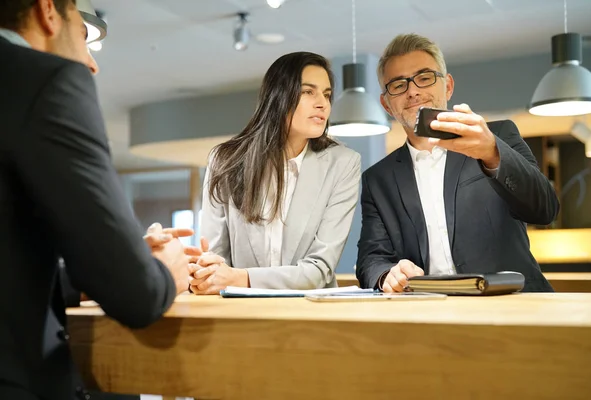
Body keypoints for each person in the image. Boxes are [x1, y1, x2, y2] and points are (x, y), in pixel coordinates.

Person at [0, 1, 198, 398]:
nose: (92, 64)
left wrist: (109, 262)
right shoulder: (48, 80)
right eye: (83, 36)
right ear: (48, 13)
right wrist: (161, 269)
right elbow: (137, 297)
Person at [356, 33, 559, 293]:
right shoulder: (378, 179)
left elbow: (545, 210)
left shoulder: (498, 137)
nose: (413, 91)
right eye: (398, 85)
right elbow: (371, 259)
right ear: (386, 104)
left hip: (513, 304)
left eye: (425, 77)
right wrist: (387, 275)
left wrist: (492, 153)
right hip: (431, 314)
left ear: (448, 86)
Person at [190, 51, 361, 294]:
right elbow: (215, 259)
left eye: (327, 94)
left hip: (311, 316)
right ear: (279, 96)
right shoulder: (225, 160)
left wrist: (240, 278)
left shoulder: (343, 164)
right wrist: (206, 272)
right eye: (308, 92)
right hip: (240, 315)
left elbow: (318, 269)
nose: (322, 103)